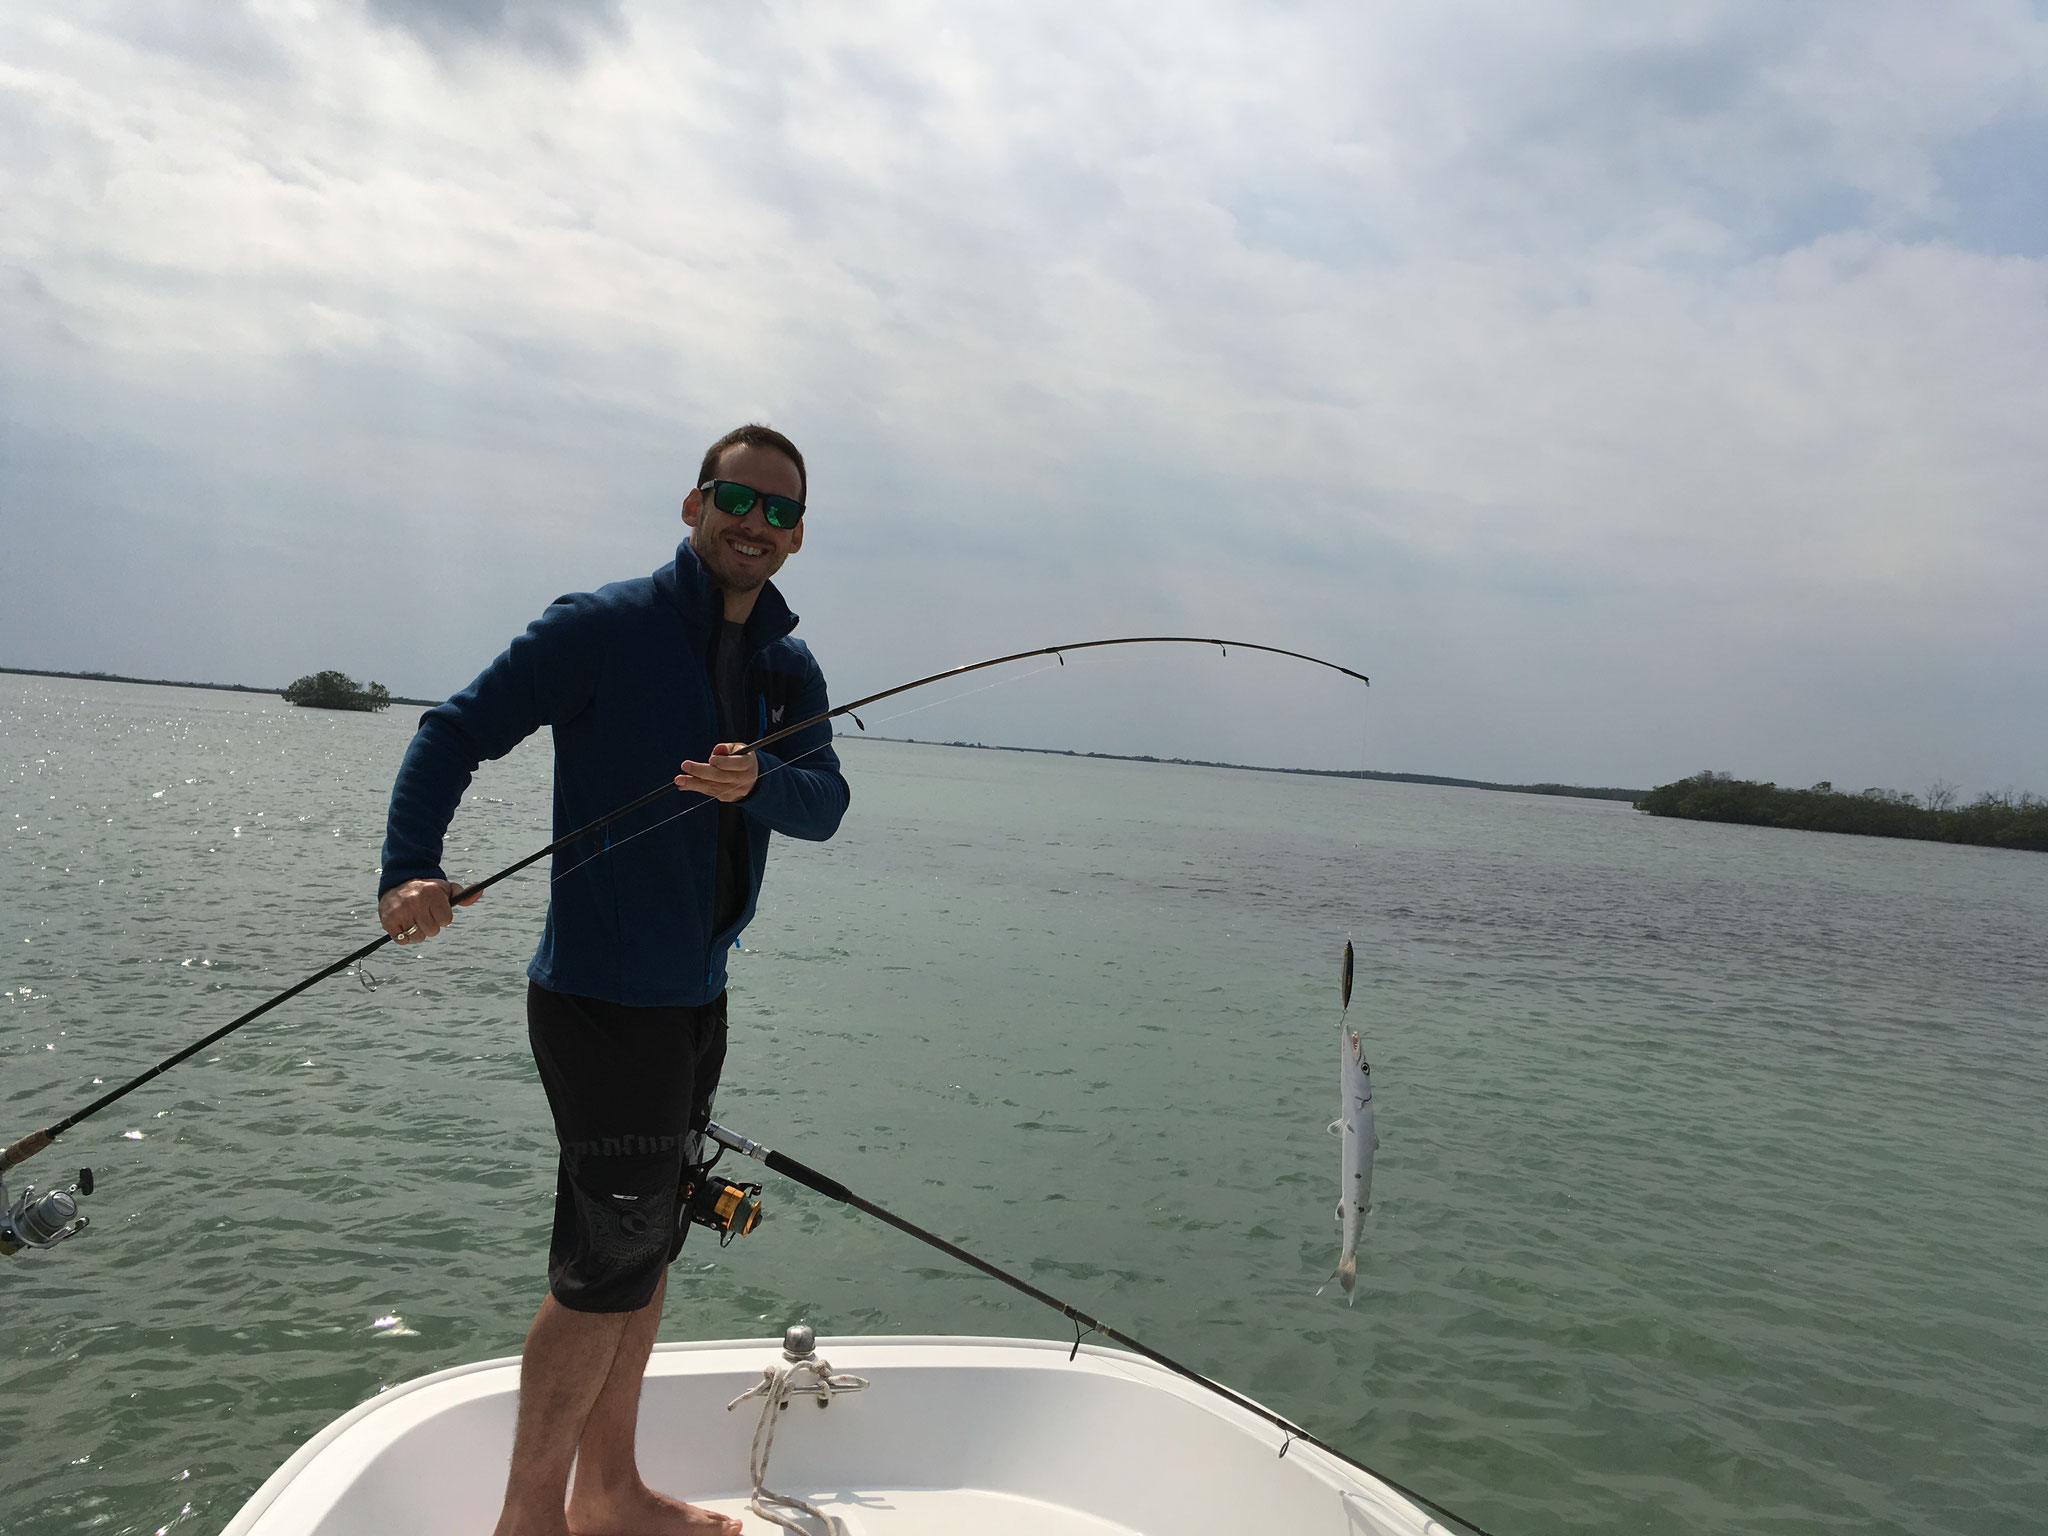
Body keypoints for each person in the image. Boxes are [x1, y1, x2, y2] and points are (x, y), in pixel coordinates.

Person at [376, 424, 848, 1536]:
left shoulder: (787, 668)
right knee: (601, 1270)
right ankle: (528, 1519)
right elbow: (453, 732)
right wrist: (411, 870)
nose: (757, 525)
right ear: (693, 506)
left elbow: (823, 803)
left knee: (645, 1250)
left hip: (695, 1000)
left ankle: (611, 1494)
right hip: (599, 1004)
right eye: (740, 499)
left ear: (797, 536)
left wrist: (759, 781)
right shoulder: (600, 628)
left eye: (782, 512)